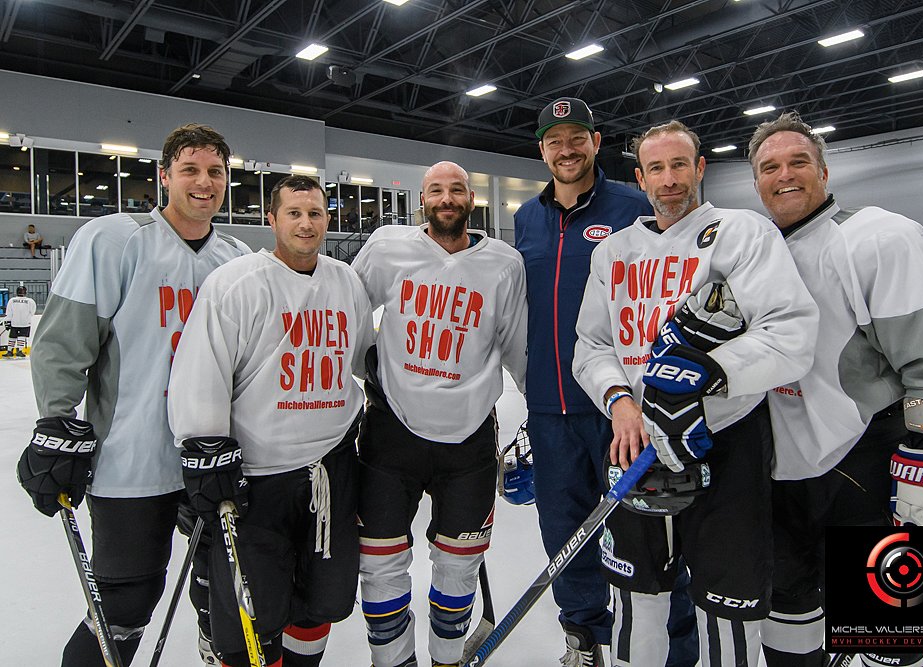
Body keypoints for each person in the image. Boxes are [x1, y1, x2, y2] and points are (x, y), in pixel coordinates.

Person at [573, 120, 819, 667]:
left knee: (726, 605)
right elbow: (591, 345)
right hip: (633, 444)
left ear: (700, 168)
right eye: (656, 168)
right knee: (637, 596)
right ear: (639, 178)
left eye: (679, 164)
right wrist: (621, 403)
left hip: (724, 442)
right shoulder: (612, 253)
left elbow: (790, 333)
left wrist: (704, 375)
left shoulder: (744, 233)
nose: (669, 179)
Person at [747, 111, 923, 667]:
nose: (785, 175)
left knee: (893, 632)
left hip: (868, 462)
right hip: (778, 471)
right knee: (788, 611)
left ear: (824, 171)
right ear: (756, 181)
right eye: (769, 167)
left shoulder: (875, 237)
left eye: (798, 162)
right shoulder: (752, 256)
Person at [16, 123, 251, 667]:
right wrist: (56, 420)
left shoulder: (236, 259)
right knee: (125, 601)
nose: (203, 182)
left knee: (224, 597)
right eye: (189, 170)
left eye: (215, 171)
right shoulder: (115, 240)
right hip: (131, 461)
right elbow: (63, 342)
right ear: (164, 176)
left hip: (211, 459)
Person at [515, 96, 698, 667]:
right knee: (564, 532)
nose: (565, 149)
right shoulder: (526, 217)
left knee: (651, 534)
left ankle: (673, 647)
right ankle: (585, 636)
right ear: (542, 149)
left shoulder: (630, 205)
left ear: (596, 142)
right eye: (554, 140)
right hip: (550, 407)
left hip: (625, 406)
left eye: (577, 137)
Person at [167, 175, 374, 667]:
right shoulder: (235, 282)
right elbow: (202, 370)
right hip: (255, 481)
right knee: (252, 616)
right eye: (294, 213)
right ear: (271, 220)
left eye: (316, 214)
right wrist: (202, 447)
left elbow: (364, 358)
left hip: (330, 471)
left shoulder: (346, 281)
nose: (306, 223)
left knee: (322, 600)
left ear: (328, 219)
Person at [351, 161, 527, 667]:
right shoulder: (387, 248)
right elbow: (347, 315)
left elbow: (518, 346)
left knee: (458, 567)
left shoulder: (504, 263)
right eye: (435, 190)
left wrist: (544, 415)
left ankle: (447, 659)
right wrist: (364, 372)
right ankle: (394, 662)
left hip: (470, 439)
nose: (446, 198)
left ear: (471, 198)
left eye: (456, 190)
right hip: (391, 435)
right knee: (380, 564)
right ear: (422, 200)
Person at [3, 284, 36, 357]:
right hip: (25, 323)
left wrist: (7, 322)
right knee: (22, 336)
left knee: (12, 337)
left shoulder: (12, 300)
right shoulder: (30, 301)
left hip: (14, 322)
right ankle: (19, 350)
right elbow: (32, 312)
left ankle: (9, 351)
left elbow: (9, 312)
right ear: (25, 292)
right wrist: (27, 317)